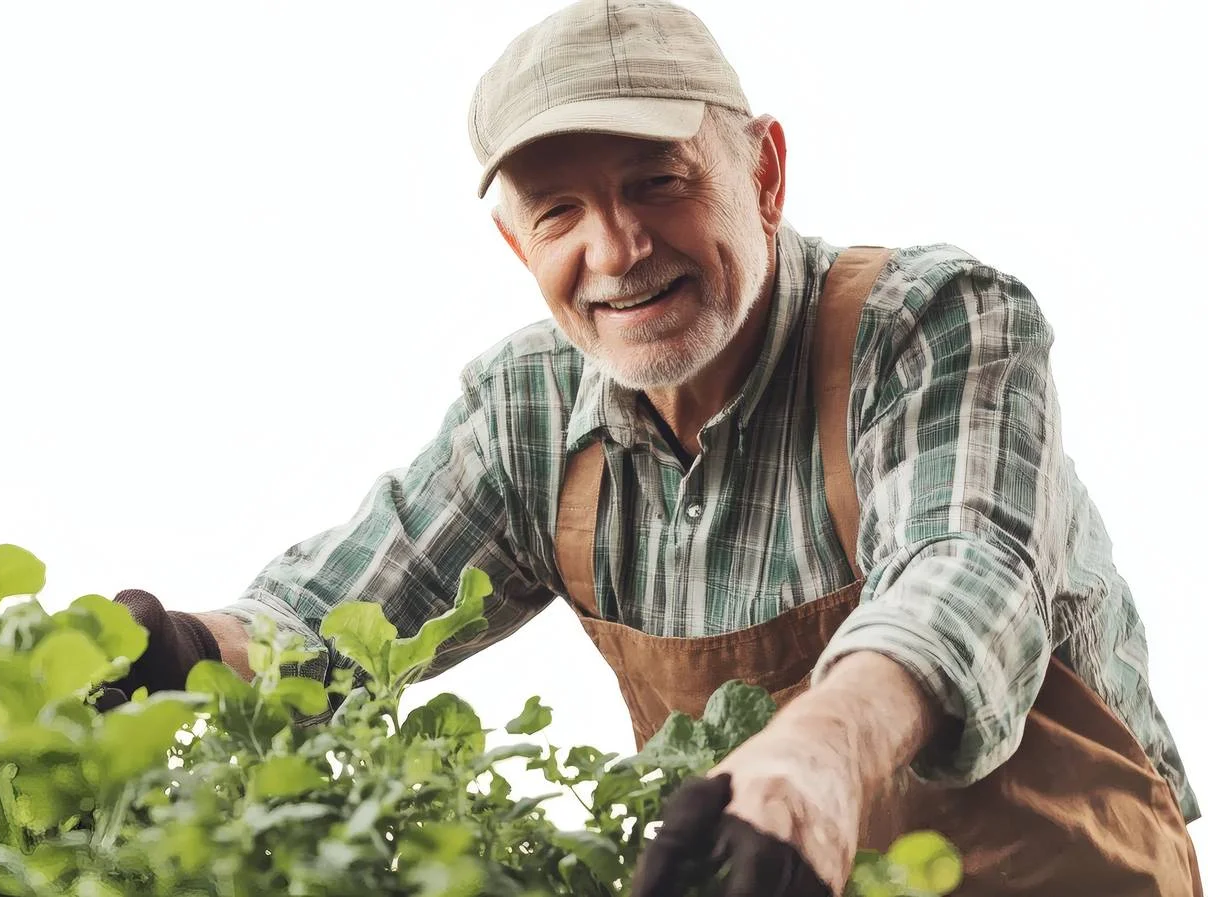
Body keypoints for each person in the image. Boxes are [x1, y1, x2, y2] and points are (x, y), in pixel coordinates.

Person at [99, 1, 1201, 893]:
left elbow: (966, 573)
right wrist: (172, 650)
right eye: (559, 212)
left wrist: (820, 746)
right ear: (513, 241)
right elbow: (339, 615)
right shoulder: (528, 412)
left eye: (657, 184)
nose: (616, 250)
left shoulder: (928, 322)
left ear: (763, 173)